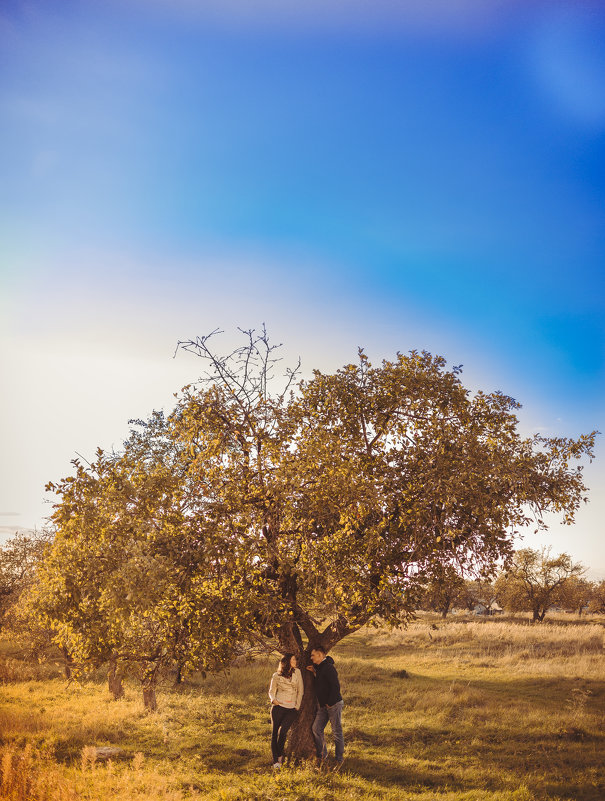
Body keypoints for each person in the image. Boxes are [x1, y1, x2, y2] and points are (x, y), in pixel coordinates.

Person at [306, 645, 344, 770]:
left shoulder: (329, 668)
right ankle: (323, 756)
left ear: (321, 655)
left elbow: (335, 687)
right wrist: (315, 671)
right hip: (323, 706)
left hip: (333, 704)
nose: (311, 658)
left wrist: (330, 702)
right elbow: (322, 682)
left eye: (313, 655)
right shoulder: (320, 667)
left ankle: (339, 759)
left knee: (336, 731)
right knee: (316, 728)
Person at [268, 653, 303, 769]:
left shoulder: (297, 672)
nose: (295, 661)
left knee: (282, 733)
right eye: (293, 659)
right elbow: (271, 691)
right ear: (287, 661)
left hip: (291, 709)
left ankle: (279, 755)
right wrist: (273, 700)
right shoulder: (276, 676)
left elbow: (300, 690)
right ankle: (276, 760)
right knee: (274, 734)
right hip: (278, 708)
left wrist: (297, 706)